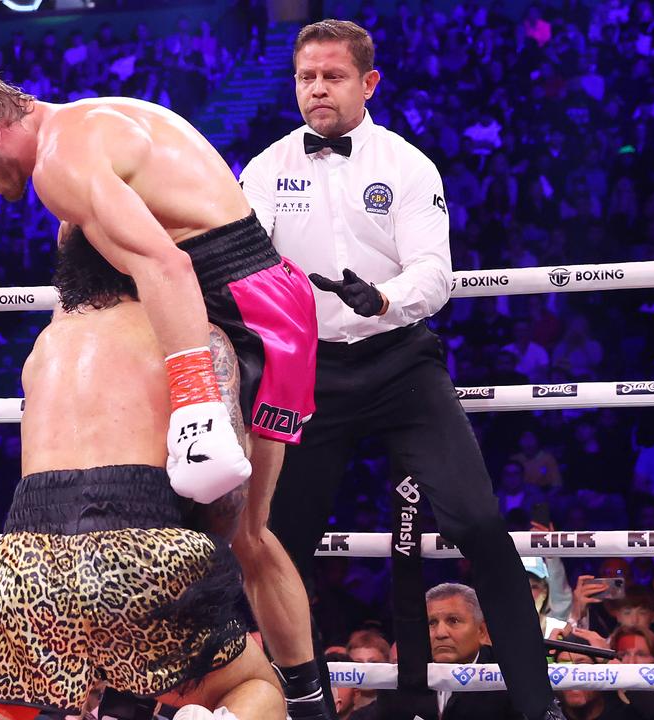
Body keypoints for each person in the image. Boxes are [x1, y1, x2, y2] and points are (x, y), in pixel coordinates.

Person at [0, 70, 325, 718]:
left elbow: (166, 266)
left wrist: (198, 402)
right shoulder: (90, 123)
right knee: (251, 539)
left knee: (232, 525)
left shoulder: (60, 166)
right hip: (265, 298)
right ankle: (298, 706)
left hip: (236, 306)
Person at [239, 20, 560, 720]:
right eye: (306, 77)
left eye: (332, 75)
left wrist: (381, 297)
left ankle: (540, 709)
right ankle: (303, 708)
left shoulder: (408, 165)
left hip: (400, 363)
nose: (317, 88)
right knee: (276, 548)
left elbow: (434, 273)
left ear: (368, 82)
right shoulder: (263, 170)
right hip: (309, 373)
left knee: (477, 522)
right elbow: (242, 266)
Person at [0, 228, 285, 720]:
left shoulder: (46, 344)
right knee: (253, 684)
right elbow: (227, 487)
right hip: (144, 547)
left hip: (29, 561)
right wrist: (200, 565)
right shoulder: (193, 339)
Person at [349, 583, 516, 720]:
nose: (441, 633)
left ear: (482, 632)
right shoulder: (403, 680)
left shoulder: (507, 683)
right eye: (431, 623)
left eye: (453, 621)